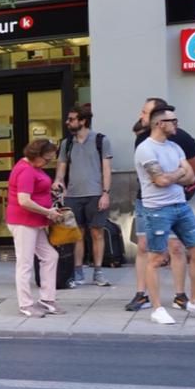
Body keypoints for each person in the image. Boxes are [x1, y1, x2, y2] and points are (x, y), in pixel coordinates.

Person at [134, 103, 195, 325]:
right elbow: (160, 180)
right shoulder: (146, 149)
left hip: (181, 206)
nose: (176, 124)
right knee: (156, 258)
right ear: (159, 123)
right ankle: (157, 308)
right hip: (157, 209)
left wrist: (174, 175)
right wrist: (178, 173)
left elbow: (191, 177)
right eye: (172, 121)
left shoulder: (175, 148)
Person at [125, 97, 195, 313]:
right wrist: (177, 175)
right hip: (147, 200)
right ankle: (142, 294)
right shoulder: (142, 139)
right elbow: (158, 178)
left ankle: (180, 295)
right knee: (143, 246)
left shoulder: (181, 139)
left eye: (145, 112)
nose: (141, 116)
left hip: (177, 199)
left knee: (176, 247)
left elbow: (194, 170)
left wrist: (178, 182)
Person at [53, 103, 114, 287]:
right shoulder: (67, 143)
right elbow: (61, 167)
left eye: (71, 119)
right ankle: (78, 272)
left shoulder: (101, 140)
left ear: (83, 121)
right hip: (73, 195)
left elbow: (106, 169)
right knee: (76, 234)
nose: (67, 122)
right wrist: (58, 181)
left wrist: (105, 193)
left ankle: (98, 272)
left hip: (95, 194)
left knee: (97, 233)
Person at [6, 138, 66, 318]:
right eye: (47, 159)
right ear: (36, 155)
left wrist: (51, 192)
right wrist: (48, 212)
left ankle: (47, 300)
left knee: (50, 256)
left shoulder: (33, 167)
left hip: (33, 221)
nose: (48, 162)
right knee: (24, 263)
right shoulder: (25, 170)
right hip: (24, 221)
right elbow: (24, 200)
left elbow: (37, 190)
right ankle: (26, 304)